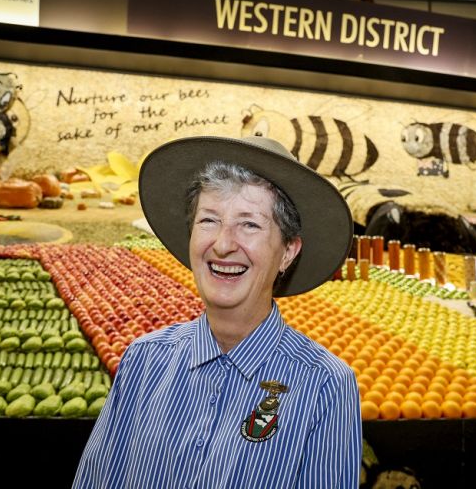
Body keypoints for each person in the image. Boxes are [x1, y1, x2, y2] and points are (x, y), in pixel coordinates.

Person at [73, 136, 362, 488]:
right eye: (209, 220)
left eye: (250, 224)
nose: (223, 245)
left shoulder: (325, 386)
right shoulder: (144, 361)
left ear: (287, 251)